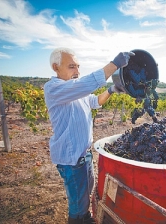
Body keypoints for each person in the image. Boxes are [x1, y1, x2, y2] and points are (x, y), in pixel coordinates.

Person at [43, 47, 134, 224]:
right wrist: (115, 64)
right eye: (71, 67)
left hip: (84, 155)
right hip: (71, 160)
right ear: (56, 67)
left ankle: (85, 218)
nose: (77, 71)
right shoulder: (54, 88)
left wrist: (111, 90)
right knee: (77, 206)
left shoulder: (75, 91)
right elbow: (85, 84)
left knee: (86, 195)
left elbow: (94, 101)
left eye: (78, 66)